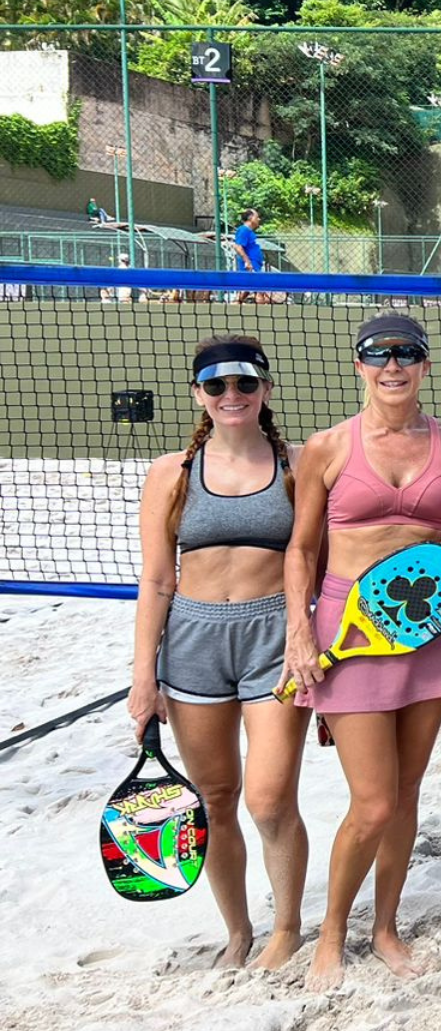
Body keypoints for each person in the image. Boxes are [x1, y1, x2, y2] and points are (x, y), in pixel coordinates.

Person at [283, 313, 441, 992]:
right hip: (349, 629)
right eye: (378, 355)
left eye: (407, 354)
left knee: (406, 794)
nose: (393, 365)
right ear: (359, 366)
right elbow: (302, 548)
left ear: (425, 365)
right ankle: (331, 935)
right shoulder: (326, 447)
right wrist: (300, 632)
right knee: (372, 803)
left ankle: (386, 926)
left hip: (427, 624)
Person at [129, 336, 310, 970]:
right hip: (192, 642)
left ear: (265, 389)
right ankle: (238, 932)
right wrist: (141, 679)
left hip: (274, 639)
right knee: (216, 798)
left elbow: (341, 544)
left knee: (270, 797)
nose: (231, 395)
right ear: (198, 394)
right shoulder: (171, 473)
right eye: (216, 385)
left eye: (244, 383)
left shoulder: (299, 464)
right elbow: (156, 581)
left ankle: (287, 927)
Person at [231, 209, 263, 303]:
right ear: (250, 218)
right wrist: (247, 262)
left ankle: (235, 304)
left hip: (254, 264)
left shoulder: (249, 231)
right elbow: (238, 246)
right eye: (257, 217)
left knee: (247, 289)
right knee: (260, 289)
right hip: (250, 265)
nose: (259, 219)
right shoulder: (243, 230)